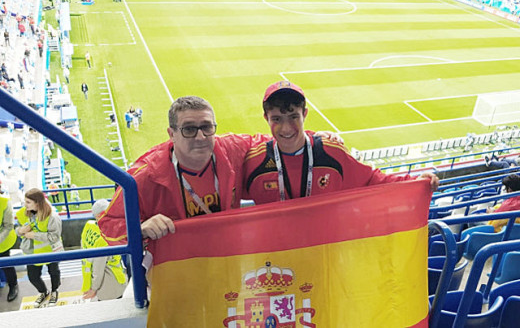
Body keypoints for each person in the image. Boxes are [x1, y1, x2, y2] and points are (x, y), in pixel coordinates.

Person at [98, 96, 341, 245]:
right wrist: (140, 228)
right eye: (189, 129)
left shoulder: (231, 148)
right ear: (171, 134)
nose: (201, 136)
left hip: (222, 257)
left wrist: (313, 138)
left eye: (207, 127)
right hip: (174, 268)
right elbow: (108, 223)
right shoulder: (145, 176)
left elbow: (280, 138)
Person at [242, 81, 439, 205]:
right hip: (278, 255)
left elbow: (372, 180)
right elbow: (226, 191)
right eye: (276, 119)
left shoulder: (331, 151)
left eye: (293, 117)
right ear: (266, 118)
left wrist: (415, 182)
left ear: (305, 114)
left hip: (325, 249)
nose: (285, 128)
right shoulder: (254, 160)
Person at [15, 188, 63, 308]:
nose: (24, 205)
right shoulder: (24, 212)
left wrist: (34, 235)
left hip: (50, 251)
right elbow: (17, 229)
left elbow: (54, 237)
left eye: (28, 202)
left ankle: (54, 291)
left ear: (37, 203)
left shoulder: (52, 216)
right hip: (32, 252)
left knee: (54, 273)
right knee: (33, 277)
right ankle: (43, 292)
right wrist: (20, 231)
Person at [81, 200, 127, 301]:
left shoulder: (89, 226)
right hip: (110, 285)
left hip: (96, 282)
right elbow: (98, 269)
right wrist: (94, 289)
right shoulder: (105, 239)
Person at [0, 186, 19, 302]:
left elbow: (8, 226)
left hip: (3, 241)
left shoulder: (4, 203)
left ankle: (13, 285)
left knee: (6, 264)